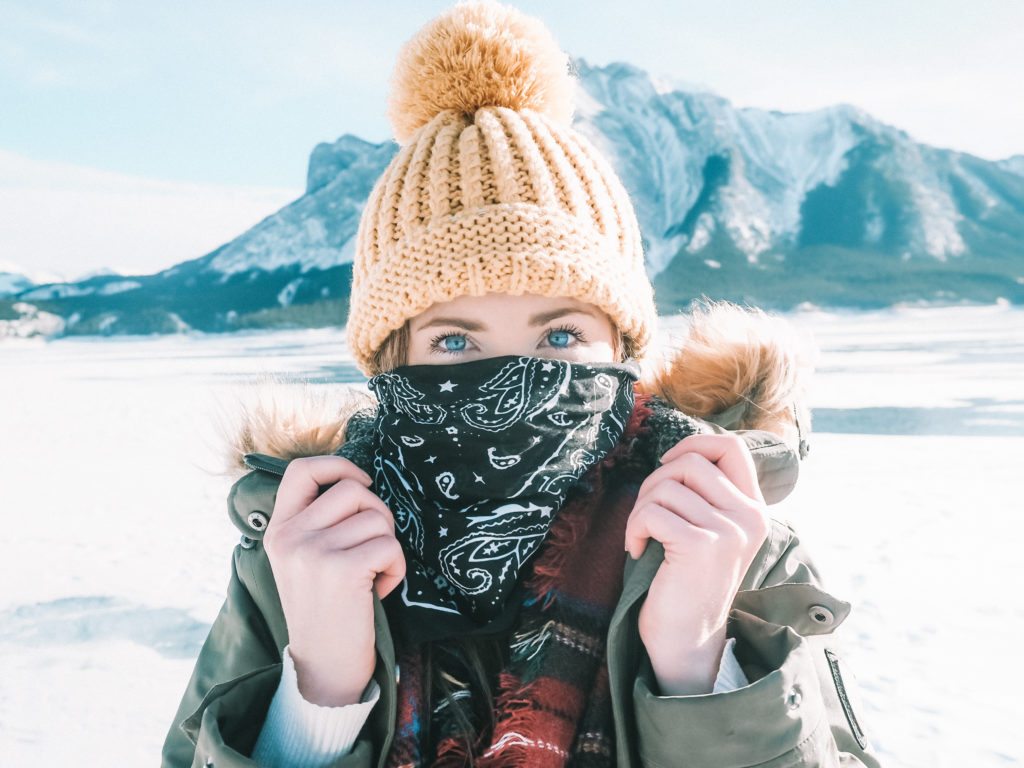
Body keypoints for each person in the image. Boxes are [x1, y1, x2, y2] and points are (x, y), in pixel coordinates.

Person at [161, 1, 881, 766]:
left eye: (562, 335)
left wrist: (697, 664)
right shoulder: (299, 552)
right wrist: (319, 696)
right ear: (389, 362)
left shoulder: (734, 545)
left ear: (622, 346)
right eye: (453, 339)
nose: (511, 375)